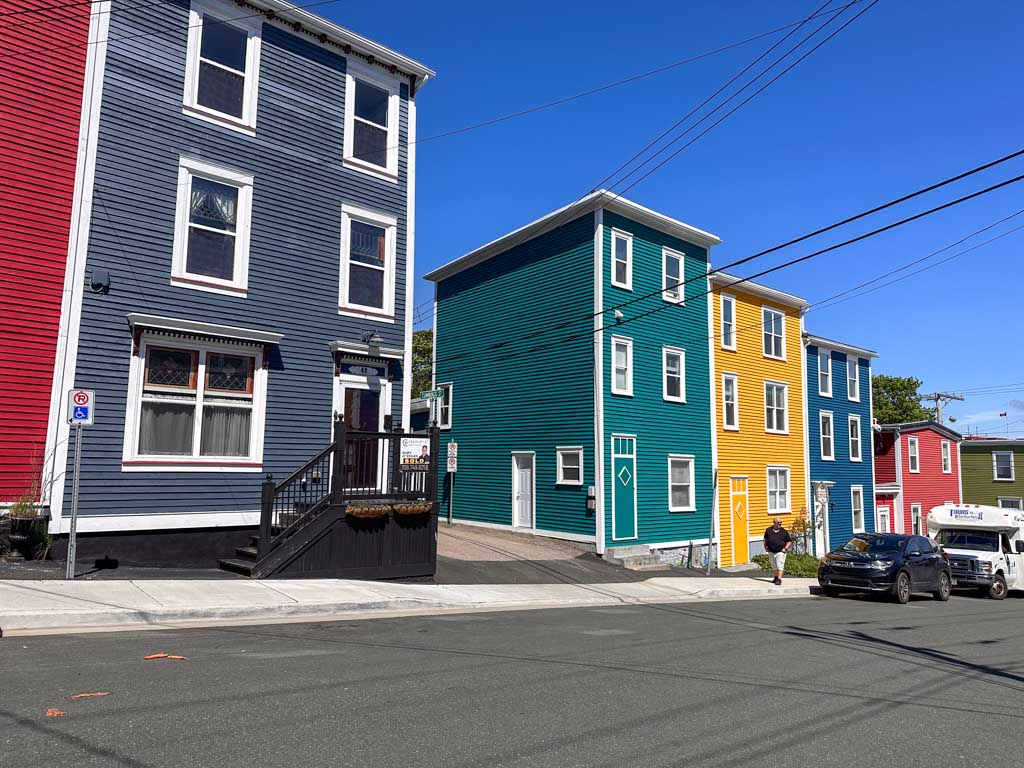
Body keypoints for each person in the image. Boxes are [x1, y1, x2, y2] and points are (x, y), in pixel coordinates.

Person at [763, 517, 792, 585]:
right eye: (778, 523)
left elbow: (789, 541)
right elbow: (765, 539)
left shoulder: (784, 531)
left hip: (780, 552)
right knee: (774, 566)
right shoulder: (768, 530)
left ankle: (779, 579)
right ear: (774, 523)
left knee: (780, 565)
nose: (780, 524)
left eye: (781, 522)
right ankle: (776, 577)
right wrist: (765, 547)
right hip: (771, 551)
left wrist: (785, 548)